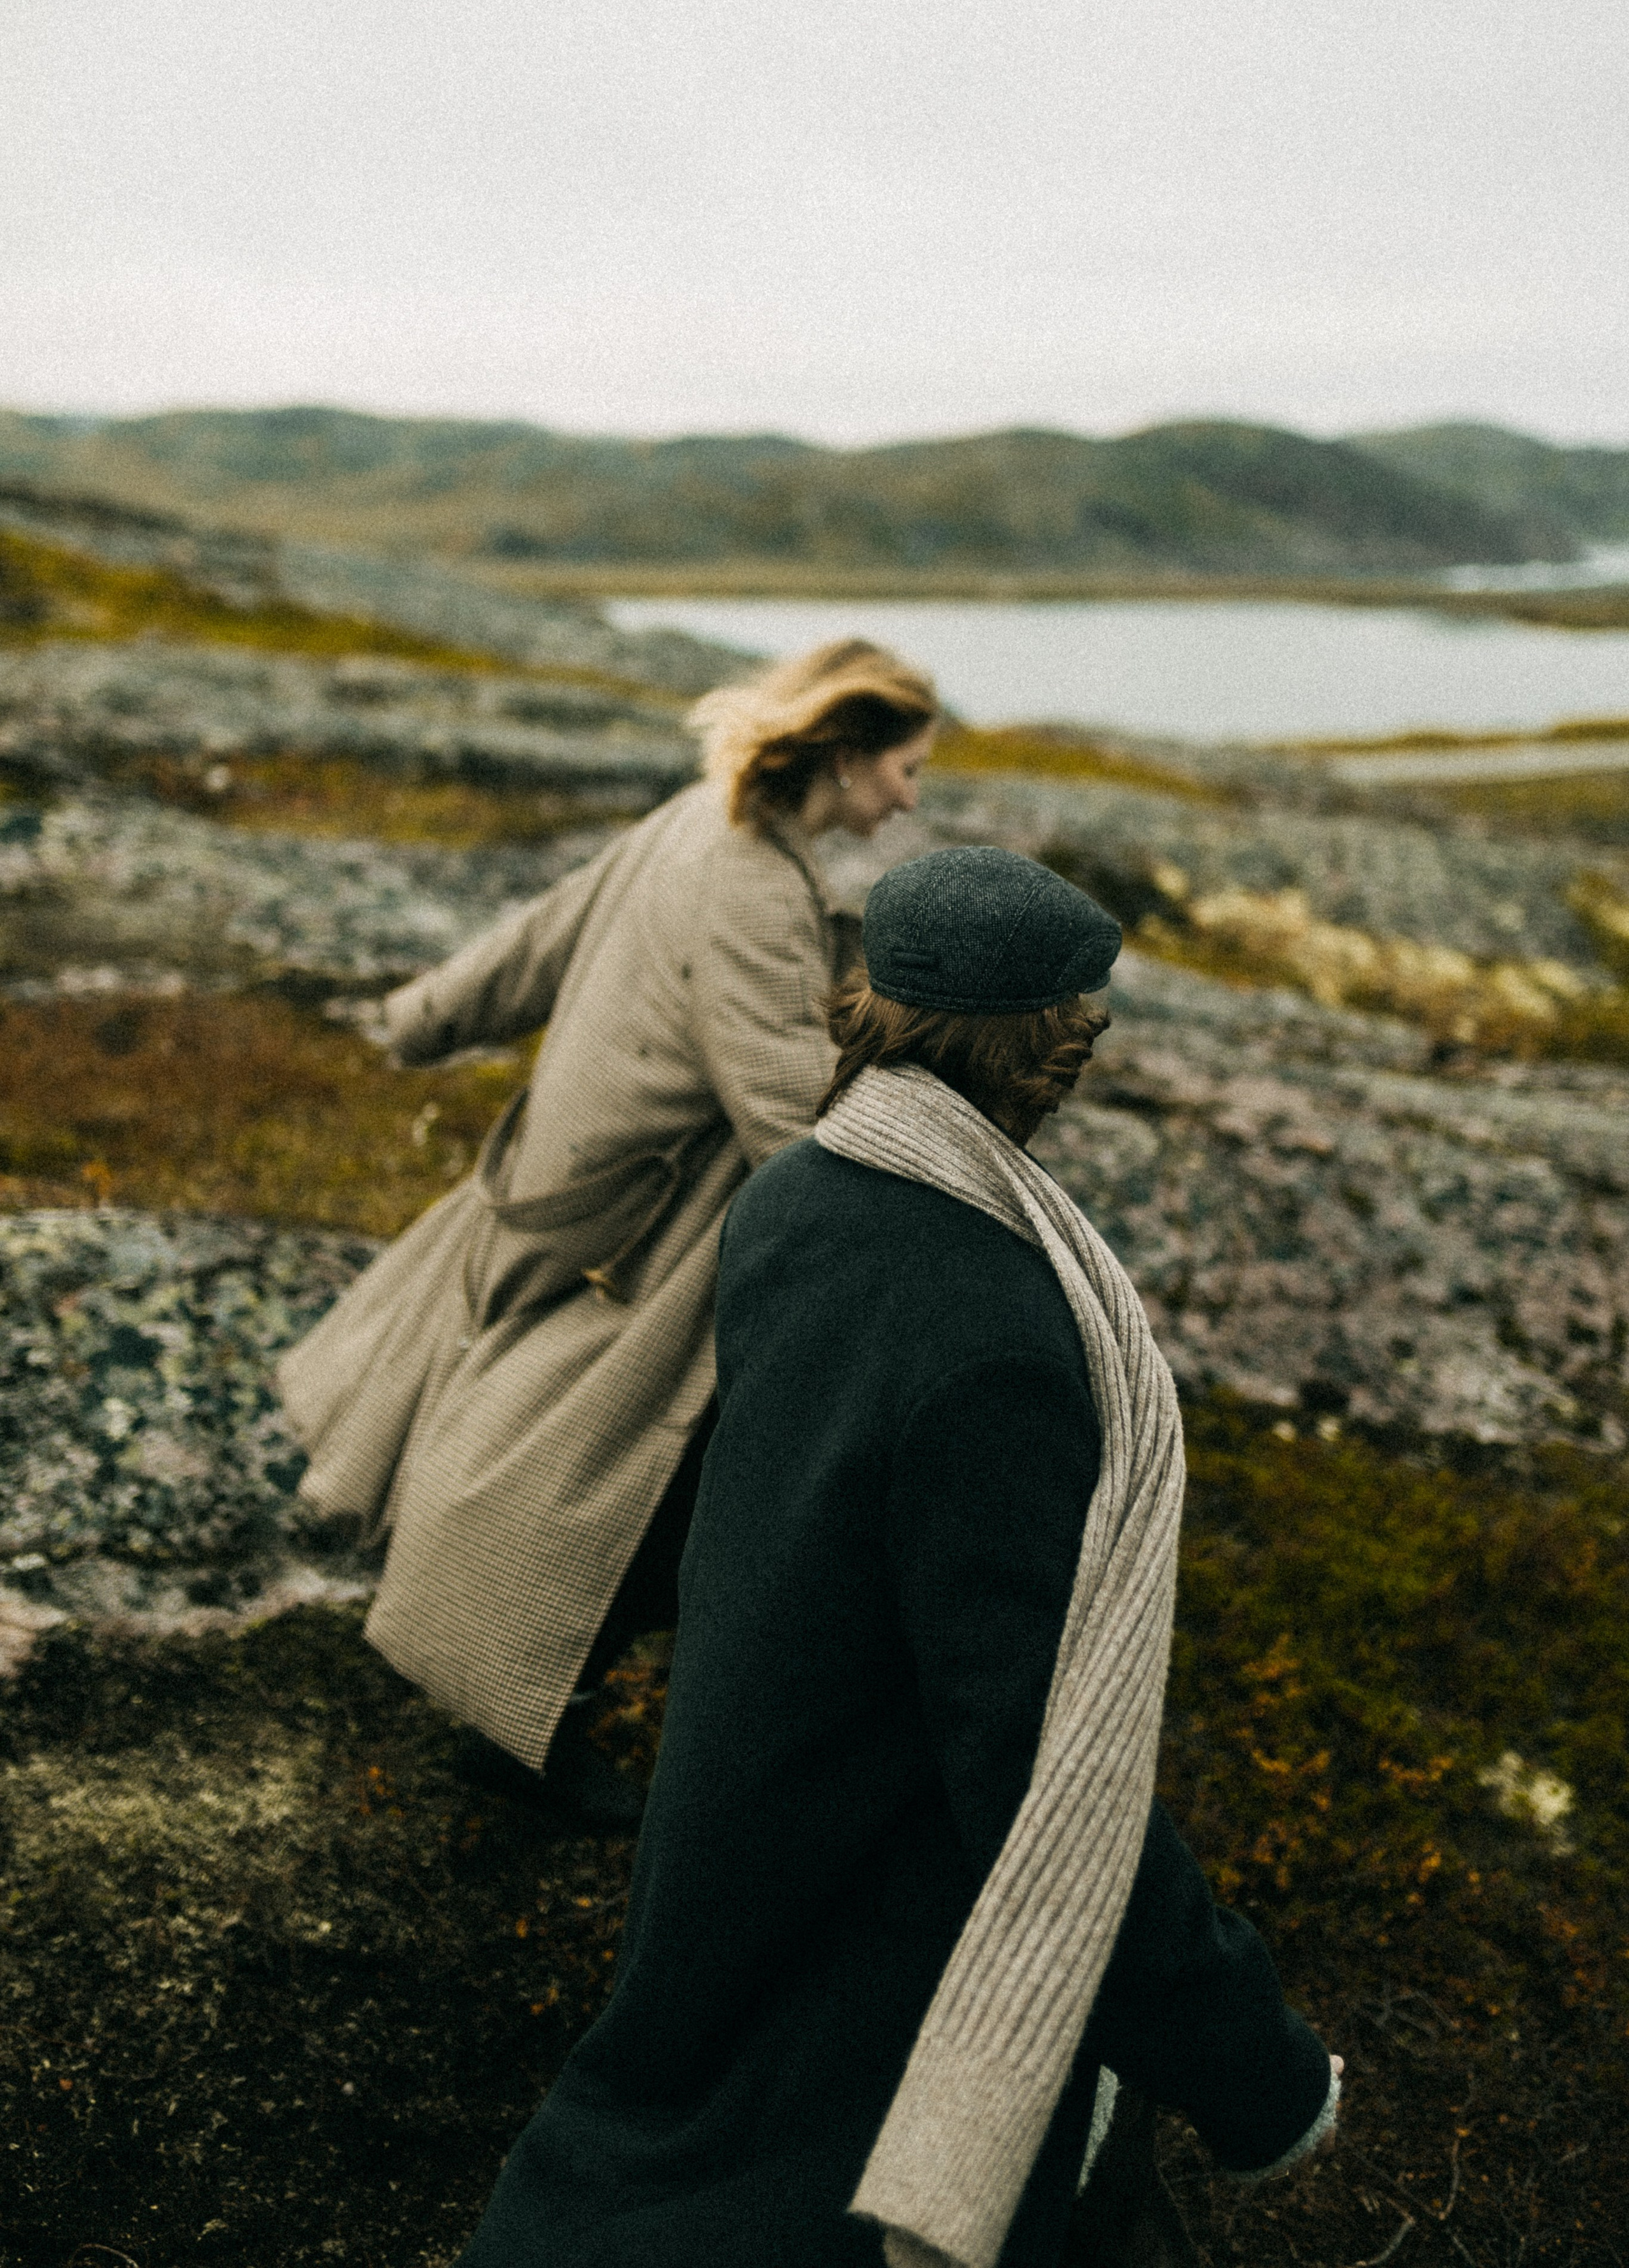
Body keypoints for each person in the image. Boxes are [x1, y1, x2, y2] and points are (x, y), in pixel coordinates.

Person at [454, 845, 1339, 2268]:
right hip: (893, 1893)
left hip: (750, 1804)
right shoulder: (995, 1336)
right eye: (1077, 1012)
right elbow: (1038, 1774)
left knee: (689, 2129)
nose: (1094, 1033)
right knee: (798, 2193)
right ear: (1034, 1043)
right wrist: (1259, 2071)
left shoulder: (801, 1196)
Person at [277, 640, 938, 1808]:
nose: (910, 800)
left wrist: (420, 1018)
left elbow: (538, 937)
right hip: (638, 1231)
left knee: (587, 1452)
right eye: (906, 770)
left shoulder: (703, 816)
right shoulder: (750, 884)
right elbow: (785, 1115)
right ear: (845, 754)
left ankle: (523, 1684)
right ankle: (524, 1727)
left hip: (563, 1187)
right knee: (629, 1477)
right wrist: (920, 1250)